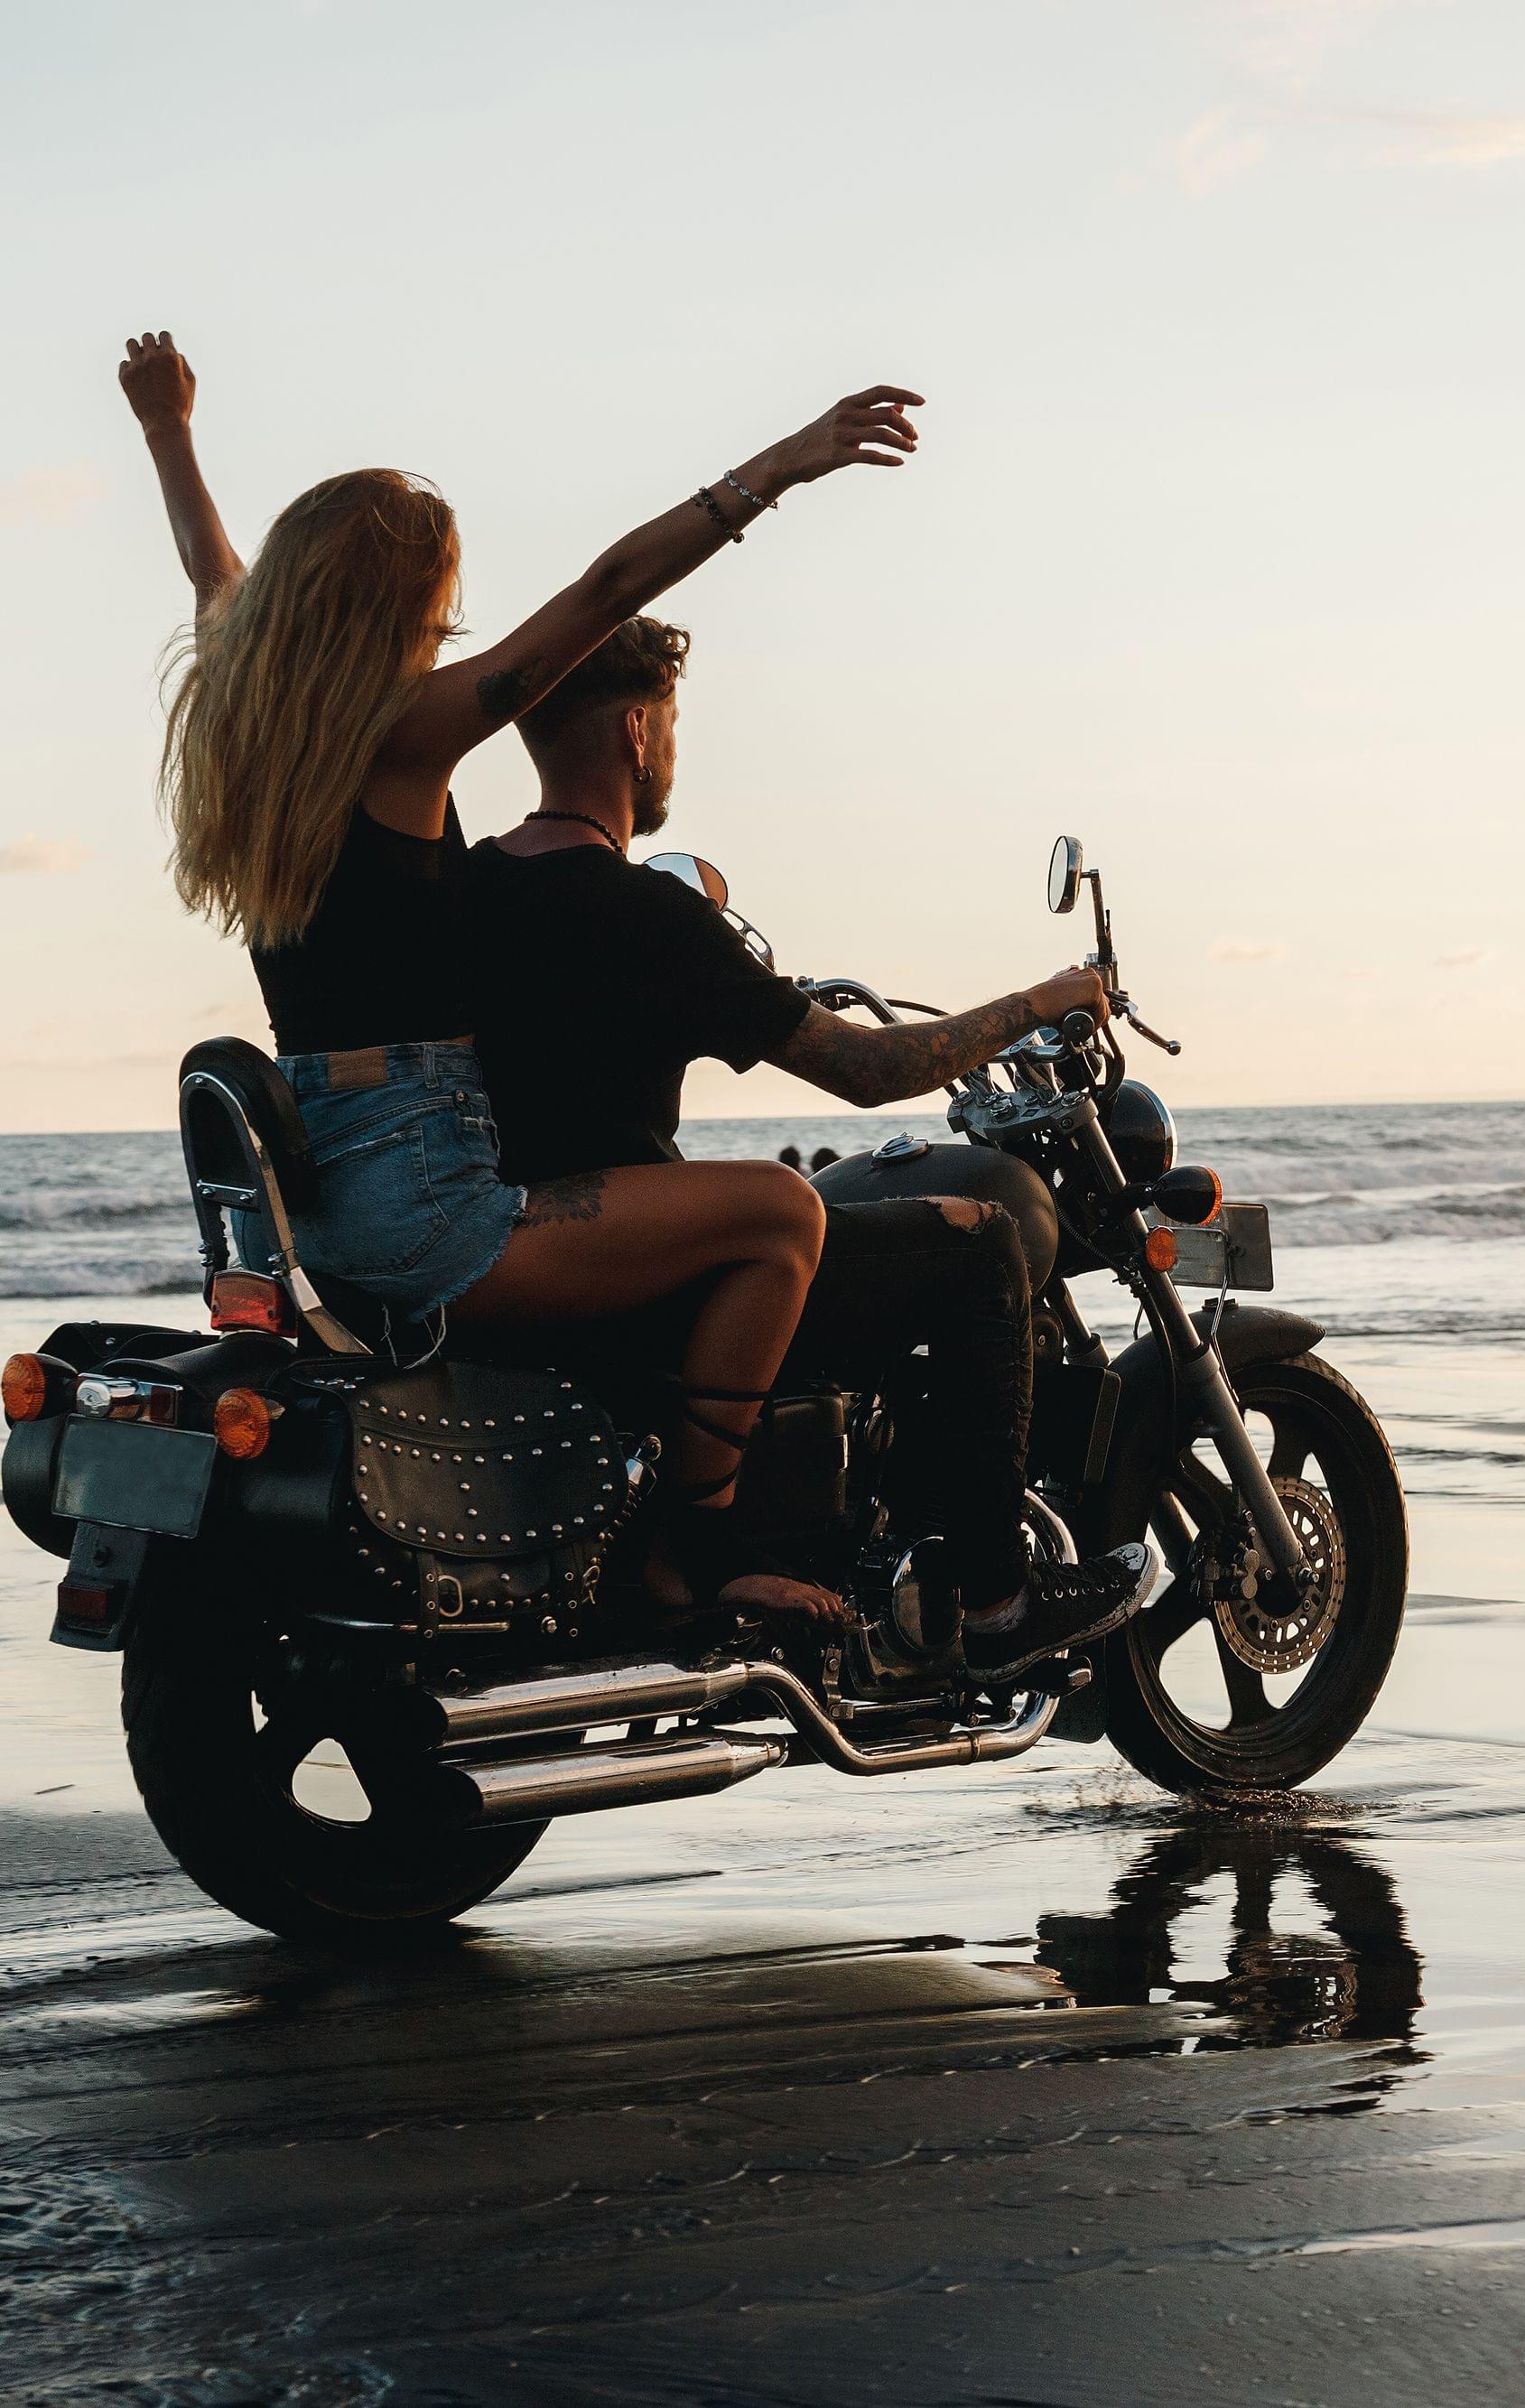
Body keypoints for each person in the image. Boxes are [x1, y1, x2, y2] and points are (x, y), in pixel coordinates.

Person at [120, 330, 918, 1615]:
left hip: (330, 1204)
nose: (454, 620)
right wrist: (782, 466)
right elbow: (607, 590)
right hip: (434, 1204)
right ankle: (694, 1548)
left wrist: (168, 430)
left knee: (758, 1212)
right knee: (784, 1213)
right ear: (390, 606)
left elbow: (211, 572)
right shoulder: (401, 742)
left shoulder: (254, 731)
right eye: (439, 594)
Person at [462, 613, 1149, 1676]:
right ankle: (998, 1597)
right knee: (974, 1240)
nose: (673, 753)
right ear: (639, 733)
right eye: (675, 729)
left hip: (507, 1260)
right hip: (639, 1281)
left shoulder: (463, 890)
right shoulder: (649, 916)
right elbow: (870, 1073)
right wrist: (1042, 998)